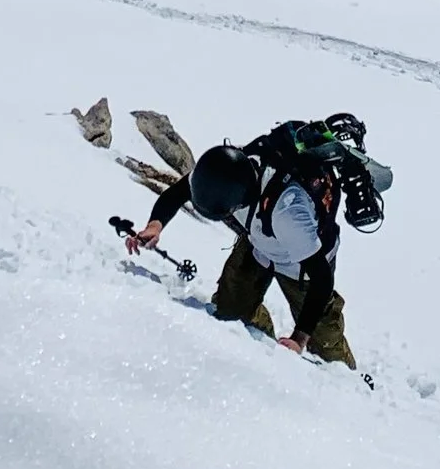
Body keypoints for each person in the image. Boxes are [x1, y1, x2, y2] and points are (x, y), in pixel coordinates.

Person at [130, 114, 390, 369]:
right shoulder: (230, 169)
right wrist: (155, 225)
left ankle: (353, 389)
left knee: (326, 348)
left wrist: (299, 339)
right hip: (259, 241)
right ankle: (260, 341)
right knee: (228, 312)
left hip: (302, 265)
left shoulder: (289, 212)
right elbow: (182, 190)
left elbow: (321, 278)